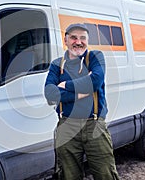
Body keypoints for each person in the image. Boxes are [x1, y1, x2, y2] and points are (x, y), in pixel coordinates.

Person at [44, 23, 119, 180]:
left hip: (94, 125)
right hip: (66, 125)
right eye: (73, 37)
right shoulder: (57, 64)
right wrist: (81, 93)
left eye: (82, 38)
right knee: (68, 175)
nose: (78, 42)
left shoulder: (95, 57)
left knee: (105, 174)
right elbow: (50, 94)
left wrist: (66, 85)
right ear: (65, 40)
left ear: (87, 40)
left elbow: (95, 81)